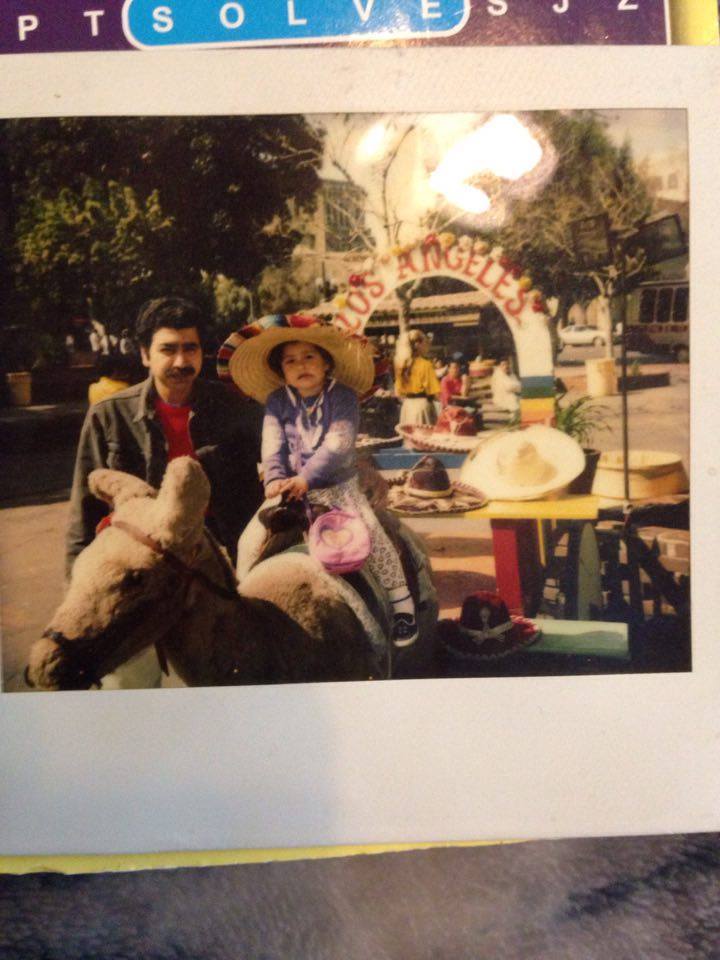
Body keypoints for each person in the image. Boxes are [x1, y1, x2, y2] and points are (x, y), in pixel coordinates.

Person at [229, 322, 419, 647]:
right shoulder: (277, 401)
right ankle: (243, 608)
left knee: (372, 535)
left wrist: (306, 478)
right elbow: (271, 443)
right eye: (290, 360)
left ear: (326, 362)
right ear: (281, 371)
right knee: (249, 540)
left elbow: (339, 444)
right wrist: (275, 478)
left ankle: (402, 606)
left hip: (337, 488)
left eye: (309, 356)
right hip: (289, 489)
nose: (301, 365)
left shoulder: (343, 398)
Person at [66, 297, 264, 576]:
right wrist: (78, 588)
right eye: (168, 350)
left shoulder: (234, 407)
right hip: (144, 563)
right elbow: (84, 516)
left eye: (190, 348)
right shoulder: (109, 416)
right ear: (146, 354)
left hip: (225, 562)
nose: (181, 361)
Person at [394, 329, 440, 426]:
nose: (426, 346)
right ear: (418, 344)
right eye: (425, 343)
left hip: (407, 406)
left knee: (409, 438)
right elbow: (434, 392)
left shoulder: (401, 365)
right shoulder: (426, 365)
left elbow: (398, 392)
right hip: (422, 407)